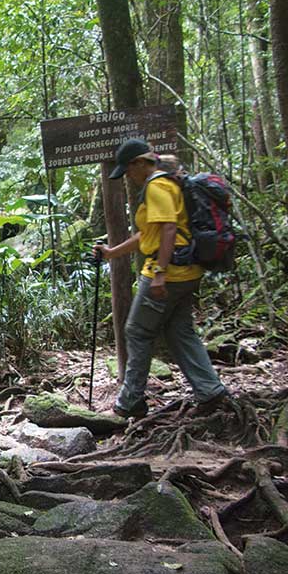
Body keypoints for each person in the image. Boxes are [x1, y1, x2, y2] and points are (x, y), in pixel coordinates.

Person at [94, 138, 227, 418]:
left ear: (140, 163)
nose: (128, 177)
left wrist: (159, 275)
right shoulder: (167, 184)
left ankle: (130, 402)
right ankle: (210, 390)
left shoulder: (156, 187)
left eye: (129, 170)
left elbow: (167, 230)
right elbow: (149, 233)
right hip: (186, 271)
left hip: (167, 273)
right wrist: (111, 253)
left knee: (137, 331)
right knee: (180, 332)